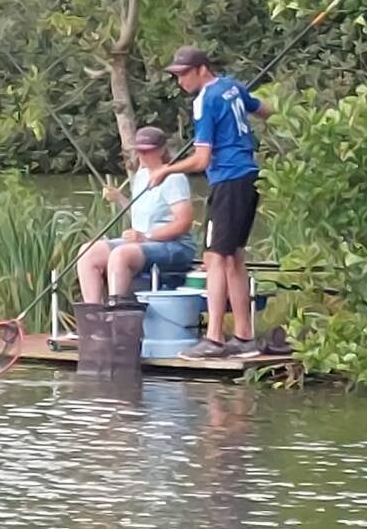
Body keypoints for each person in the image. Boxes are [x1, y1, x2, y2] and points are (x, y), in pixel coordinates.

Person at [148, 46, 272, 359]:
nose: (180, 82)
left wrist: (166, 170)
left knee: (215, 258)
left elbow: (202, 159)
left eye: (184, 74)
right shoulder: (232, 86)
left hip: (228, 179)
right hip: (249, 177)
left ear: (202, 69)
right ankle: (244, 337)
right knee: (233, 258)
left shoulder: (205, 100)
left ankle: (214, 339)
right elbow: (263, 110)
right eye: (176, 76)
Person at [77, 125, 195, 305]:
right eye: (139, 151)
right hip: (142, 243)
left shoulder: (174, 178)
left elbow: (184, 223)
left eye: (147, 151)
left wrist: (146, 236)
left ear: (161, 150)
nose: (141, 155)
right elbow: (141, 215)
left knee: (121, 255)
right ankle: (94, 313)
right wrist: (119, 198)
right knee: (88, 252)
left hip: (174, 245)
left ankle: (116, 311)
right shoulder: (141, 175)